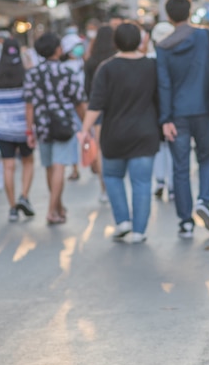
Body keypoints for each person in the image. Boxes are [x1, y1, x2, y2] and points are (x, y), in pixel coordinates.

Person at [79, 22, 160, 243]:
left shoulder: (106, 68)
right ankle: (139, 231)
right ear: (141, 41)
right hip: (145, 133)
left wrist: (84, 130)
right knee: (142, 183)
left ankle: (123, 221)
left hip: (114, 135)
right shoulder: (152, 66)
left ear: (116, 42)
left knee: (113, 176)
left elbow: (95, 104)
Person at [156, 0, 209, 239]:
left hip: (177, 114)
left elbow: (163, 84)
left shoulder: (162, 47)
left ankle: (185, 222)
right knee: (206, 157)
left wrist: (165, 119)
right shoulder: (205, 35)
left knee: (180, 168)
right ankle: (204, 200)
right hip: (205, 109)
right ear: (189, 10)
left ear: (169, 16)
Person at [23, 32, 83, 224]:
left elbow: (29, 104)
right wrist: (86, 126)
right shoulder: (67, 72)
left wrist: (29, 130)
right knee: (59, 167)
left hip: (42, 124)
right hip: (64, 123)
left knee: (49, 167)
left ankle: (58, 206)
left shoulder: (32, 73)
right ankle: (52, 210)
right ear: (58, 49)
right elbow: (79, 102)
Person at [0, 38, 36, 222]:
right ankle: (24, 196)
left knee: (8, 166)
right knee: (28, 161)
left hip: (2, 127)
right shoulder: (26, 74)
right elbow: (31, 102)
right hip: (23, 127)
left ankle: (12, 208)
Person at [84, 25, 116, 203]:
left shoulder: (91, 62)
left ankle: (104, 188)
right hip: (117, 108)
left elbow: (87, 90)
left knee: (100, 148)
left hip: (97, 109)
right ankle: (115, 184)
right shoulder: (116, 59)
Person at [149, 21, 176, 201]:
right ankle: (173, 187)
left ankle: (160, 181)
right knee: (174, 148)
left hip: (154, 109)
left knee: (159, 147)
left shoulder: (150, 59)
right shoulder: (179, 58)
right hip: (176, 108)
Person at [60, 33, 87, 181]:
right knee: (74, 139)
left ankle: (93, 161)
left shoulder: (83, 63)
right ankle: (75, 168)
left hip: (85, 105)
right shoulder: (64, 68)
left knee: (87, 136)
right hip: (72, 107)